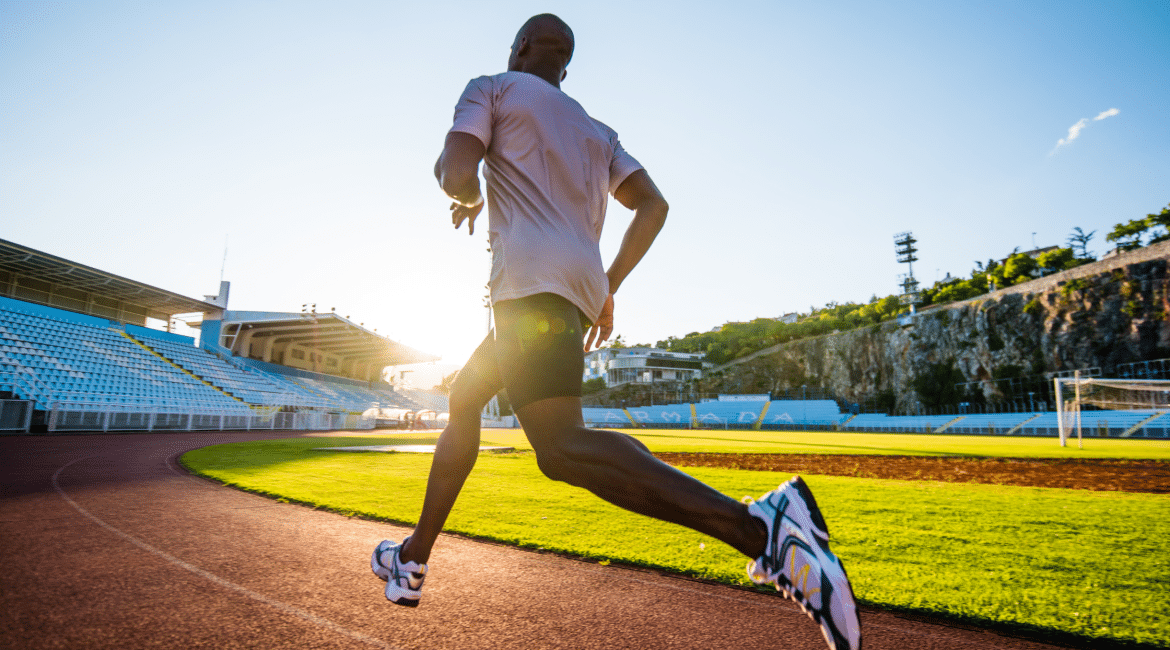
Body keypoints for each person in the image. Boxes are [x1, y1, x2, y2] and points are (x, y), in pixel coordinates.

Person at [370, 14, 860, 650]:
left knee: (562, 447)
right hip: (568, 291)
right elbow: (653, 206)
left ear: (518, 49)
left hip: (528, 287)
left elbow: (456, 171)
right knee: (464, 399)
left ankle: (763, 529)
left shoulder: (491, 87)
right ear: (566, 65)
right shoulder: (599, 133)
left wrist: (462, 193)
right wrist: (608, 287)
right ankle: (412, 558)